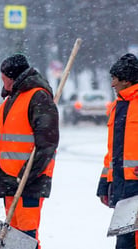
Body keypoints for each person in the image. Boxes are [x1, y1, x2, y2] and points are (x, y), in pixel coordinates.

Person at [0, 54, 59, 249]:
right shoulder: (11, 101)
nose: (2, 81)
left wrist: (27, 175)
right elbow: (3, 147)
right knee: (13, 238)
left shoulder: (38, 97)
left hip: (29, 182)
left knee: (26, 238)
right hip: (10, 180)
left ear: (13, 77)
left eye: (3, 77)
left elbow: (47, 144)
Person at [96, 53, 138, 249]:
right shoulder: (117, 107)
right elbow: (112, 152)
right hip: (122, 185)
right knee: (125, 241)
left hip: (135, 184)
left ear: (126, 80)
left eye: (114, 79)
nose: (112, 84)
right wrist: (105, 182)